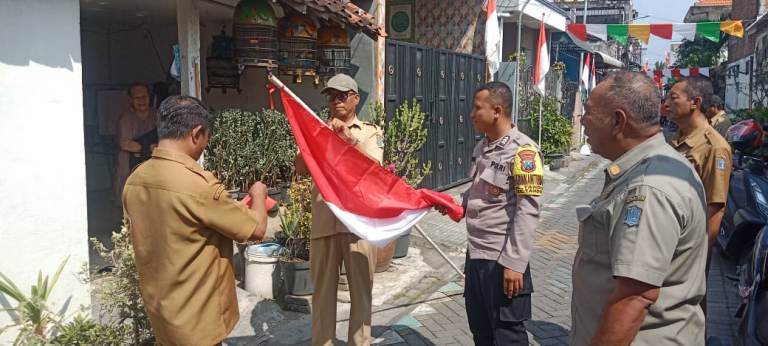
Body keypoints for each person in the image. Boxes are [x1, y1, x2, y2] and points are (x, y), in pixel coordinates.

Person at [571, 71, 708, 345]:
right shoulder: (652, 165)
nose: (582, 120)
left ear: (617, 121)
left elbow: (635, 297)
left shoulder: (647, 187)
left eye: (588, 112)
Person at [122, 95, 268, 345]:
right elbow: (256, 229)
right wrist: (258, 194)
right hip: (197, 320)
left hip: (162, 314)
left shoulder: (136, 179)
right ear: (197, 133)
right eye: (206, 137)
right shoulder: (197, 185)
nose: (205, 145)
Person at [295, 74, 384, 346]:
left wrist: (349, 141)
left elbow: (374, 171)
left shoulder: (370, 132)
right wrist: (313, 138)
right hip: (325, 221)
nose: (336, 101)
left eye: (342, 95)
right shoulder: (319, 130)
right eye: (331, 96)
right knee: (322, 294)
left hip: (357, 224)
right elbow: (300, 168)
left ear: (356, 98)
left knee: (360, 294)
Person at [462, 81, 542, 345]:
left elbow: (527, 210)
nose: (472, 114)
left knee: (507, 336)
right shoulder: (483, 146)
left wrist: (515, 264)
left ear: (497, 110)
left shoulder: (524, 152)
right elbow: (479, 194)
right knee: (481, 331)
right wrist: (454, 203)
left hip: (502, 260)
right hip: (476, 255)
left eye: (477, 108)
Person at [666, 76, 732, 251]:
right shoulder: (675, 139)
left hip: (686, 250)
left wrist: (699, 256)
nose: (666, 104)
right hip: (666, 237)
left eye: (673, 98)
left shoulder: (715, 147)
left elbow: (715, 208)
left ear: (695, 102)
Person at [114, 83, 157, 208]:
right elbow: (125, 144)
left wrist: (144, 147)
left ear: (150, 97)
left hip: (152, 167)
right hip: (128, 166)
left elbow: (166, 140)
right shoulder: (126, 119)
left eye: (144, 96)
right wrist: (148, 147)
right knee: (128, 205)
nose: (142, 100)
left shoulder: (157, 115)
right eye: (137, 98)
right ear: (130, 100)